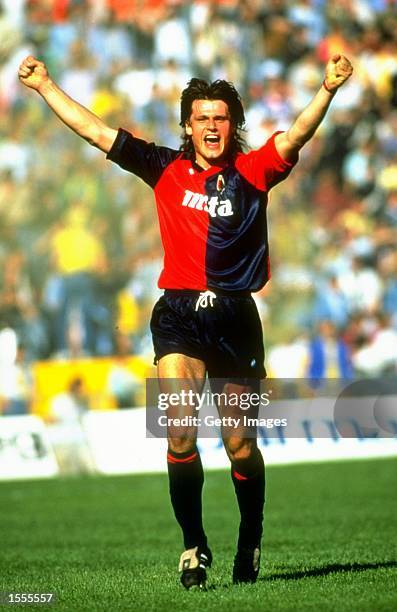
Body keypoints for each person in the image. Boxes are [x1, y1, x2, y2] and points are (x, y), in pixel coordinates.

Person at [18, 52, 353, 589]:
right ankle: (193, 546)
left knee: (241, 445)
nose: (212, 127)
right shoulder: (164, 168)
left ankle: (251, 538)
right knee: (178, 432)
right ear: (187, 126)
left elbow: (295, 138)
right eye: (202, 118)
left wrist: (327, 89)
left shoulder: (253, 171)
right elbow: (96, 132)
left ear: (234, 125)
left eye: (221, 118)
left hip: (237, 319)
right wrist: (46, 86)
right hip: (176, 315)